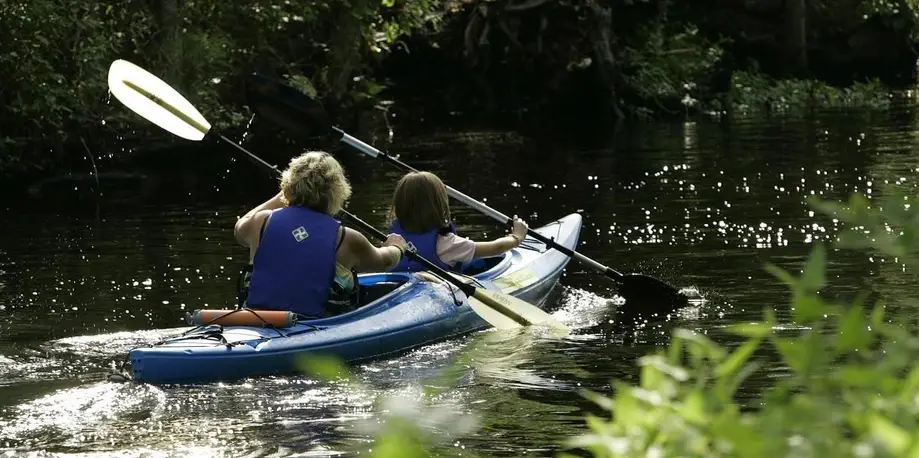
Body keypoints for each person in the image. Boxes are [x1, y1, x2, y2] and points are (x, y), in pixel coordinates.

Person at [234, 151, 409, 317]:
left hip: (256, 320)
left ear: (288, 186)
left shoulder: (261, 222)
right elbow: (384, 261)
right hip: (316, 325)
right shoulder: (346, 238)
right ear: (338, 192)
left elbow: (239, 228)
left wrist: (284, 195)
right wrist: (396, 247)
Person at [386, 171, 529, 272]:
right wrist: (516, 237)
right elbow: (495, 248)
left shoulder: (392, 240)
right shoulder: (447, 243)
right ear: (438, 205)